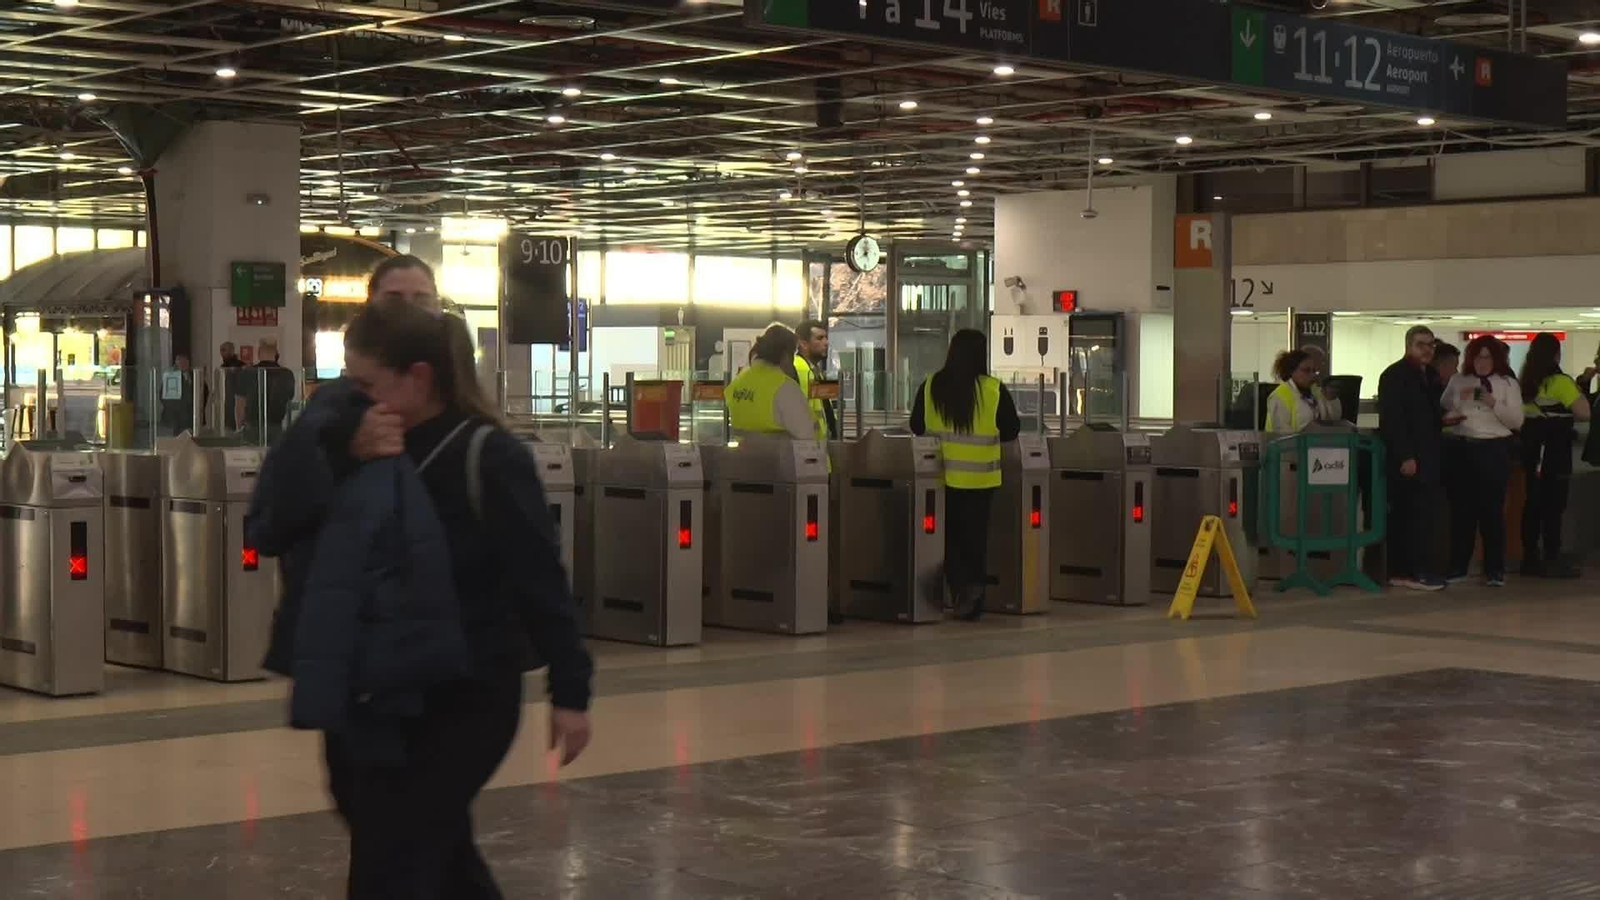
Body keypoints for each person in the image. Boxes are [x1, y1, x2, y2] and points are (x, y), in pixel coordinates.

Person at [250, 256, 593, 898]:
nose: (358, 397)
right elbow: (277, 529)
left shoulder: (489, 455)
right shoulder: (341, 439)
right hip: (374, 689)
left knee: (395, 857)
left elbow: (538, 578)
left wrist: (570, 688)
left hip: (465, 691)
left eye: (368, 384)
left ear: (418, 377)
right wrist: (339, 458)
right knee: (427, 848)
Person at [909, 329, 1021, 621]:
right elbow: (1011, 429)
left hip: (937, 478)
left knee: (944, 537)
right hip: (979, 480)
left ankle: (959, 588)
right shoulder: (993, 389)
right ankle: (972, 593)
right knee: (974, 539)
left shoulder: (931, 385)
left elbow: (917, 425)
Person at [1440, 336, 1523, 587]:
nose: (1481, 362)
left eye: (1486, 357)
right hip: (1463, 449)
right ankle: (1458, 567)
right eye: (1477, 356)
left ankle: (1494, 570)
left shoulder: (1507, 383)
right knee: (1462, 511)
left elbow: (1516, 421)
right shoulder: (1458, 380)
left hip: (1494, 449)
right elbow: (1445, 405)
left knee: (1492, 512)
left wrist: (1491, 402)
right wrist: (1460, 402)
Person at [1378, 325, 1448, 591]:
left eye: (1430, 344)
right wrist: (1405, 456)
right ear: (1409, 345)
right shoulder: (1395, 376)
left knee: (1424, 514)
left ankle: (1420, 568)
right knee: (1408, 515)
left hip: (1429, 454)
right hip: (1409, 458)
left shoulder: (1429, 375)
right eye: (1421, 344)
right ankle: (1405, 571)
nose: (1427, 349)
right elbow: (1394, 420)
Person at [1518, 332, 1590, 578]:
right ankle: (1552, 558)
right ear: (1556, 354)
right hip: (1555, 451)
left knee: (1533, 505)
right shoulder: (1559, 382)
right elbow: (1584, 412)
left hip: (1532, 450)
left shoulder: (1524, 382)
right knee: (1554, 505)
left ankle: (1529, 559)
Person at [726, 324, 815, 441]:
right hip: (781, 457)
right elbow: (807, 435)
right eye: (792, 354)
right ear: (785, 356)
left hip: (743, 457)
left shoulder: (737, 383)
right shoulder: (785, 387)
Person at [235, 336, 297, 442]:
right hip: (276, 427)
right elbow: (289, 401)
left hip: (252, 427)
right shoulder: (287, 374)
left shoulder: (247, 373)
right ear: (275, 353)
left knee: (252, 457)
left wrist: (240, 425)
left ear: (259, 353)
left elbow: (240, 403)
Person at [1264, 349, 1335, 433]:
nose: (1312, 375)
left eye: (1314, 371)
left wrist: (1330, 399)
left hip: (1317, 443)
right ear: (1291, 371)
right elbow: (1283, 434)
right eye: (1306, 370)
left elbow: (1332, 420)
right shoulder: (1279, 396)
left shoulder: (1315, 391)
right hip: (1290, 445)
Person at [793, 318, 837, 441]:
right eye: (820, 338)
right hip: (805, 444)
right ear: (803, 343)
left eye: (826, 338)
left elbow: (826, 408)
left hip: (819, 442)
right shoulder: (797, 369)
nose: (826, 342)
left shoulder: (816, 371)